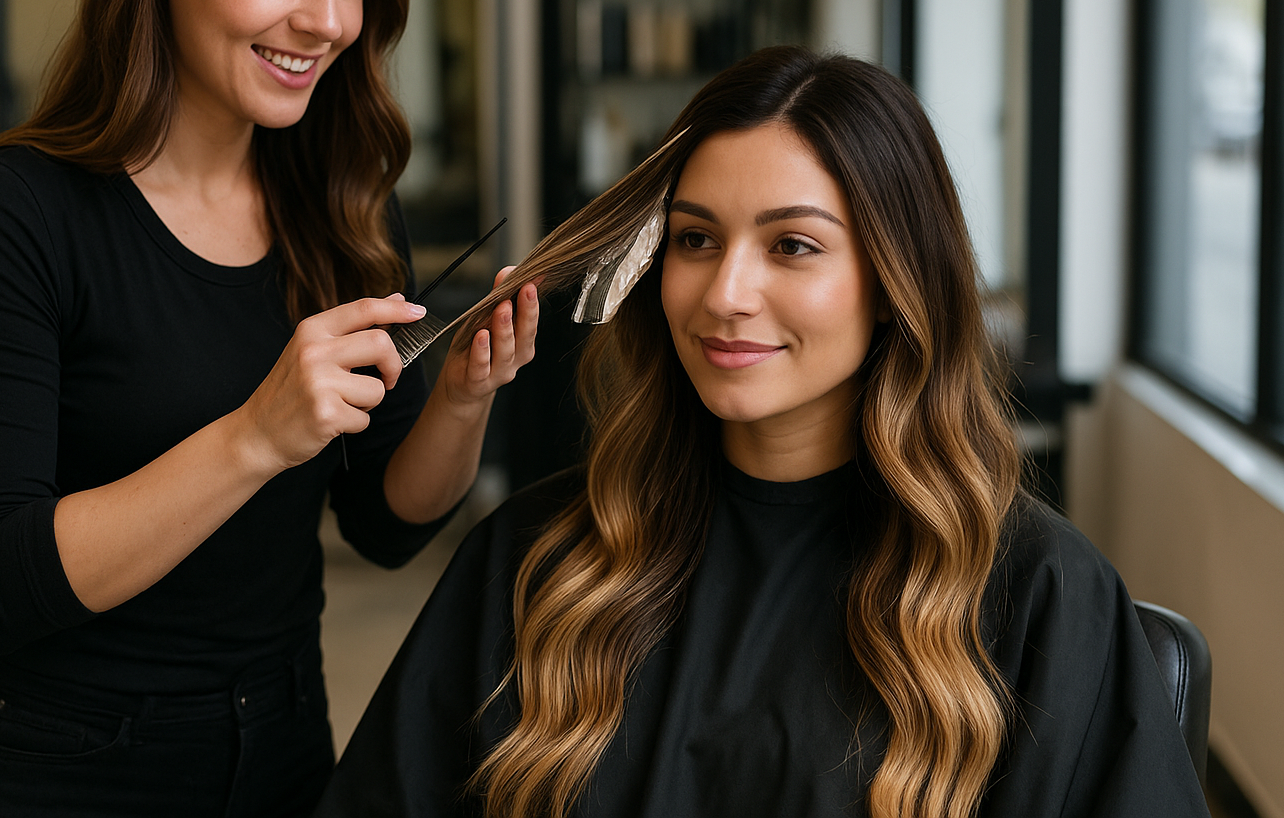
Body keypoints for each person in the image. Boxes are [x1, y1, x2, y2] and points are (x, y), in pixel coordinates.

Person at [313, 46, 1210, 818]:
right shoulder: (536, 561)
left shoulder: (1038, 595)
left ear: (896, 278)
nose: (725, 294)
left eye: (793, 246)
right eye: (696, 240)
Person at [0, 0, 537, 815]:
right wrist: (256, 435)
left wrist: (463, 396)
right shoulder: (8, 217)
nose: (325, 18)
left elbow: (385, 521)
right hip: (55, 763)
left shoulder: (342, 209)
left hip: (280, 740)